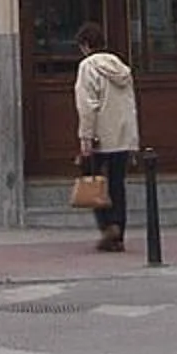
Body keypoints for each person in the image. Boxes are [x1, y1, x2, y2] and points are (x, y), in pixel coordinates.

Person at [73, 21, 140, 254]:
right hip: (121, 137)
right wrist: (133, 140)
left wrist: (86, 138)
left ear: (85, 45)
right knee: (117, 185)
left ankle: (106, 226)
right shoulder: (121, 67)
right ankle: (119, 231)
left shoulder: (87, 67)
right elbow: (130, 106)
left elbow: (87, 105)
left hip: (100, 137)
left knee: (94, 184)